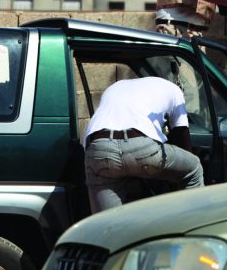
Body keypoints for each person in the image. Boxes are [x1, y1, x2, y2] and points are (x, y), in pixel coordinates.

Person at [83, 76, 204, 213]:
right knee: (193, 168)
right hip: (141, 147)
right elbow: (181, 134)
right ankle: (195, 223)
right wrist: (175, 175)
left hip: (98, 149)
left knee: (107, 224)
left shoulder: (114, 87)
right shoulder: (175, 90)